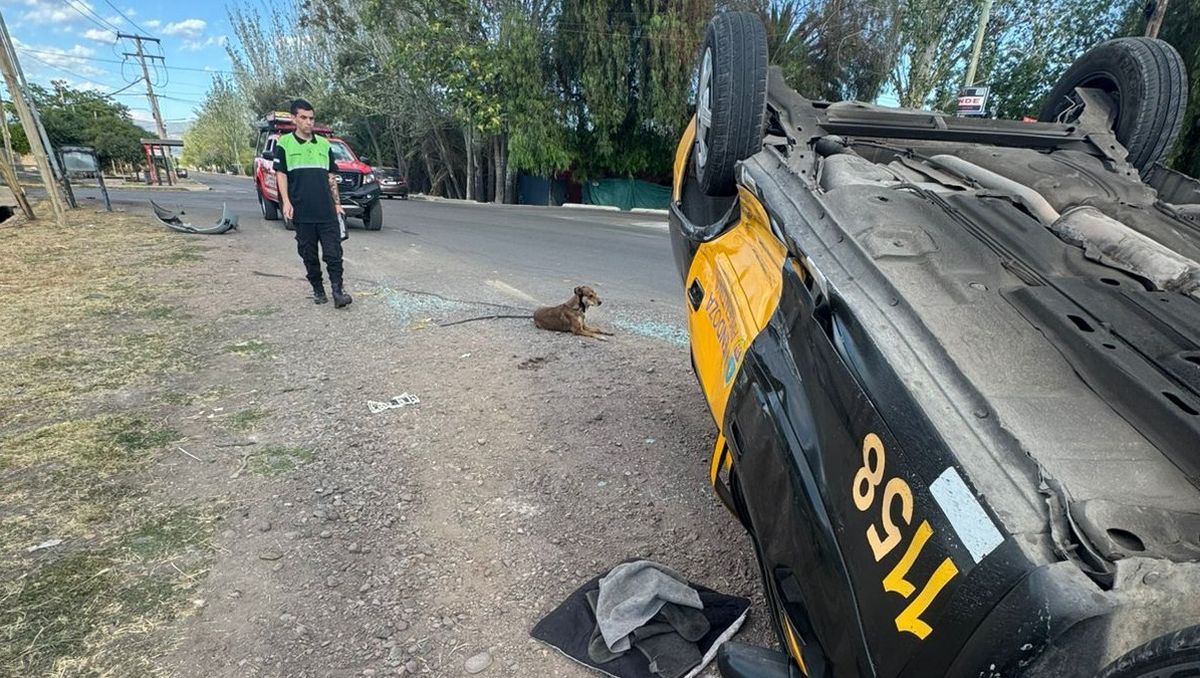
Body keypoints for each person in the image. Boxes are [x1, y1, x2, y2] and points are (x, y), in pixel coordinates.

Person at [273, 98, 352, 308]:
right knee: (308, 254)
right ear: (294, 119)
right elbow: (281, 175)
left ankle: (338, 291)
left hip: (326, 209)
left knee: (333, 253)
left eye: (311, 118)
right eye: (304, 118)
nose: (309, 122)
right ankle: (318, 289)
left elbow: (331, 177)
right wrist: (286, 202)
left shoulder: (324, 145)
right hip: (302, 211)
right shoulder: (284, 144)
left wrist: (337, 203)